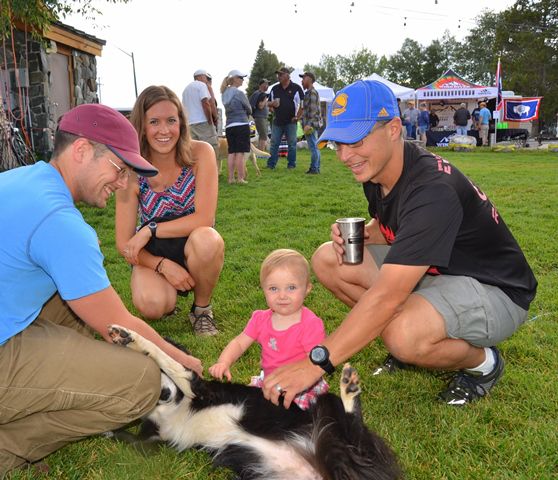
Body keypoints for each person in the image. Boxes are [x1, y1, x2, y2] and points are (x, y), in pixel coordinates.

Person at [262, 80, 537, 409]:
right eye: (338, 143)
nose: (345, 155)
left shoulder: (433, 190)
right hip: (440, 272)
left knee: (402, 333)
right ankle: (417, 336)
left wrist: (314, 364)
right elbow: (390, 226)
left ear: (393, 129)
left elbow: (386, 297)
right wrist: (364, 233)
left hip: (495, 290)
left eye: (356, 140)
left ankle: (483, 364)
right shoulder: (379, 172)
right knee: (327, 258)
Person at [0, 103, 204, 475]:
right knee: (142, 382)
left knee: (69, 305)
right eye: (119, 169)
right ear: (80, 151)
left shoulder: (23, 179)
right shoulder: (61, 223)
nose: (124, 184)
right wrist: (183, 364)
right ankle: (8, 446)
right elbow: (118, 324)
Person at [115, 86, 224, 336]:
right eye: (154, 122)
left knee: (209, 239)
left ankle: (201, 310)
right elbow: (124, 244)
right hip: (154, 251)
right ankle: (166, 292)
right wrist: (161, 265)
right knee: (152, 306)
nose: (164, 130)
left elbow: (205, 218)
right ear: (141, 126)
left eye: (171, 121)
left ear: (182, 123)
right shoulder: (131, 169)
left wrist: (150, 229)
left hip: (192, 240)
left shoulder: (201, 153)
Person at [209, 249, 328, 410]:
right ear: (263, 289)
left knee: (295, 422)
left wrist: (294, 383)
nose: (282, 295)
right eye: (273, 289)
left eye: (291, 287)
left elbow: (314, 363)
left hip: (302, 385)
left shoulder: (310, 324)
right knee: (249, 411)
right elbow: (239, 343)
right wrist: (224, 362)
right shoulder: (260, 319)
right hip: (269, 381)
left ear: (307, 288)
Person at [266, 67, 304, 170]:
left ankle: (291, 165)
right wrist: (271, 105)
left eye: (281, 75)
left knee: (292, 144)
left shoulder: (296, 88)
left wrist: (298, 117)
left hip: (291, 121)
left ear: (287, 75)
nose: (279, 77)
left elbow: (302, 104)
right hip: (277, 121)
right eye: (278, 75)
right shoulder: (274, 88)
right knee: (274, 144)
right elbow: (268, 103)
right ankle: (271, 164)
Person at [220, 70, 252, 184]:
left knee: (231, 152)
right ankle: (240, 178)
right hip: (241, 124)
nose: (243, 80)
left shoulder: (224, 94)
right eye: (241, 78)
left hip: (229, 126)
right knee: (240, 153)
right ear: (235, 79)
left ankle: (230, 179)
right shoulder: (239, 93)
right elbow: (249, 108)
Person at [181, 69, 219, 160]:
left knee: (194, 151)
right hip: (202, 122)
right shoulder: (202, 86)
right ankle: (211, 171)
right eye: (207, 78)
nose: (207, 81)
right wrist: (210, 120)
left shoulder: (186, 89)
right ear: (202, 76)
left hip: (189, 124)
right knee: (211, 149)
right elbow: (206, 103)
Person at [299, 71, 323, 174]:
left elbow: (313, 111)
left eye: (303, 79)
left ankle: (314, 169)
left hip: (311, 125)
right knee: (315, 147)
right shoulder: (309, 92)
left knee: (314, 147)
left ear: (309, 79)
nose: (302, 81)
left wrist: (308, 124)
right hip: (312, 124)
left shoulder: (312, 92)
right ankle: (316, 168)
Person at [249, 78, 270, 151]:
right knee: (263, 135)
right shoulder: (262, 94)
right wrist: (265, 100)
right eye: (266, 84)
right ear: (262, 85)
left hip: (256, 117)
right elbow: (260, 106)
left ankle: (259, 151)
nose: (267, 85)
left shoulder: (255, 93)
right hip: (260, 117)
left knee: (261, 135)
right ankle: (261, 153)